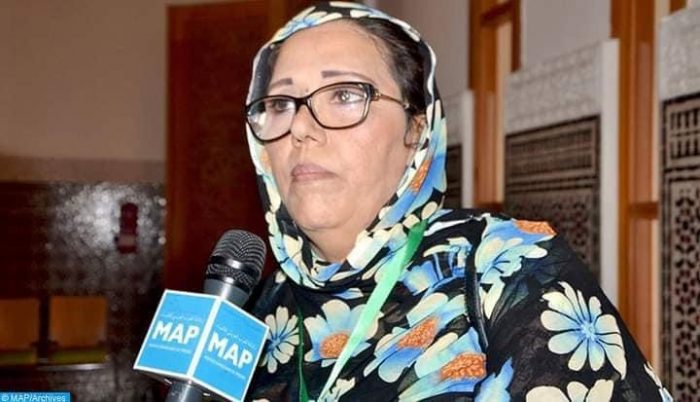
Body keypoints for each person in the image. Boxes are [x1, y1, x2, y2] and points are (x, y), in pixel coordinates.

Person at [243, 2, 672, 401]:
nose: (300, 128)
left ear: (416, 128)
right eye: (279, 104)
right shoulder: (261, 308)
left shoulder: (509, 268)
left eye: (344, 95)